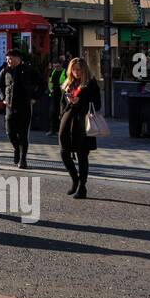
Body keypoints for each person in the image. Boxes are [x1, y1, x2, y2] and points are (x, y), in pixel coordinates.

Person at [57, 58, 102, 199]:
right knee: (64, 152)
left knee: (82, 155)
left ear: (85, 70)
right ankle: (74, 179)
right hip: (67, 120)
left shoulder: (91, 83)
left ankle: (82, 186)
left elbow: (97, 104)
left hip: (83, 121)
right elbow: (61, 102)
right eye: (74, 69)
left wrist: (80, 101)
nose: (77, 72)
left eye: (79, 69)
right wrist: (62, 112)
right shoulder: (68, 83)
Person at [0, 52, 37, 168]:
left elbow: (42, 83)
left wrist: (34, 97)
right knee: (10, 132)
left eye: (10, 59)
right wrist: (3, 98)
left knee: (23, 135)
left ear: (18, 58)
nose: (8, 61)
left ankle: (23, 160)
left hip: (24, 107)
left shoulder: (29, 70)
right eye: (7, 59)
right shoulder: (5, 71)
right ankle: (16, 149)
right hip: (10, 107)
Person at [47, 55, 67, 137]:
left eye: (58, 66)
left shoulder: (65, 72)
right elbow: (49, 82)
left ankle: (60, 130)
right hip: (53, 95)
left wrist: (63, 87)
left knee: (61, 112)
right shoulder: (52, 71)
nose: (56, 68)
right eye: (54, 66)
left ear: (61, 65)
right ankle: (52, 130)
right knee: (52, 112)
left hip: (62, 96)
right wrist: (50, 89)